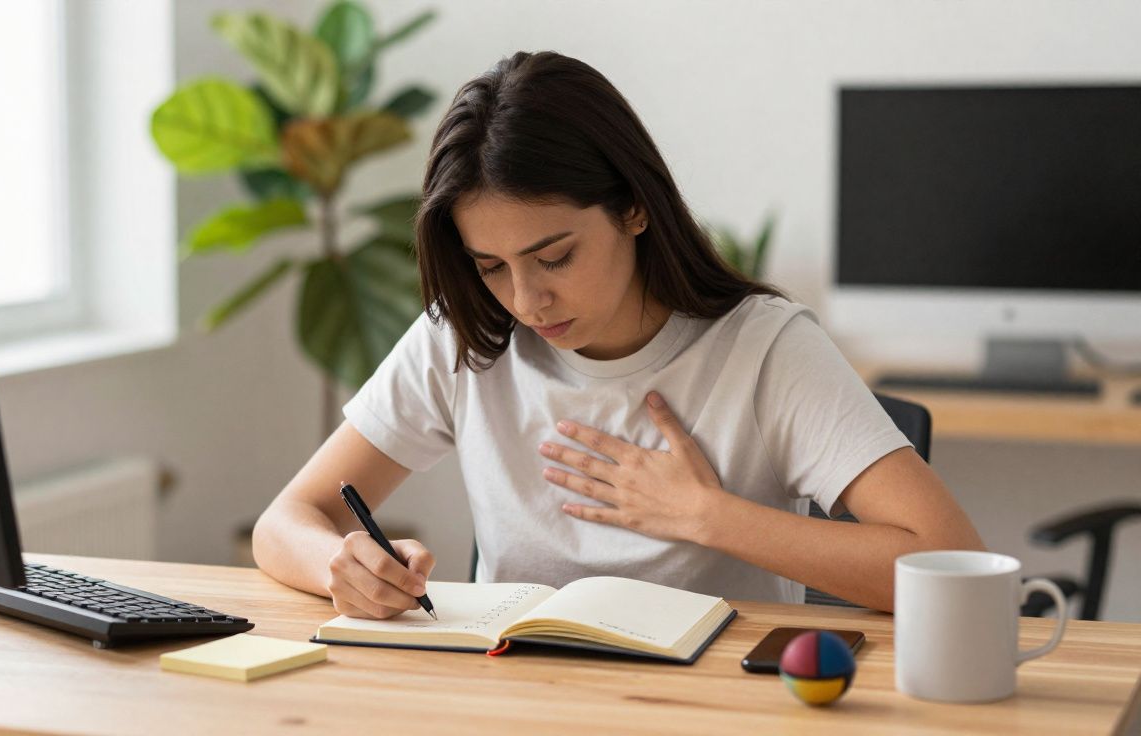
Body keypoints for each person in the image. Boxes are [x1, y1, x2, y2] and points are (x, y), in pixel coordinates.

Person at [253, 50, 984, 619]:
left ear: (634, 208)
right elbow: (288, 518)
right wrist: (340, 566)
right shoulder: (466, 337)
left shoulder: (764, 348)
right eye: (491, 267)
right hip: (515, 703)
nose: (528, 299)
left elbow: (949, 561)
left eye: (555, 256)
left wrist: (710, 516)